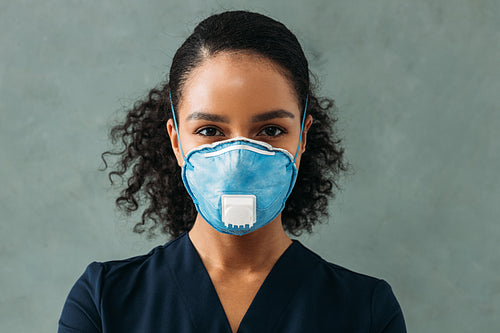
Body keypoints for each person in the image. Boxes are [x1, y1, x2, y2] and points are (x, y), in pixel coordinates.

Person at [58, 10, 406, 333]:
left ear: (302, 138)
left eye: (270, 130)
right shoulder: (103, 302)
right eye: (210, 131)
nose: (238, 160)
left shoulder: (367, 312)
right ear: (177, 142)